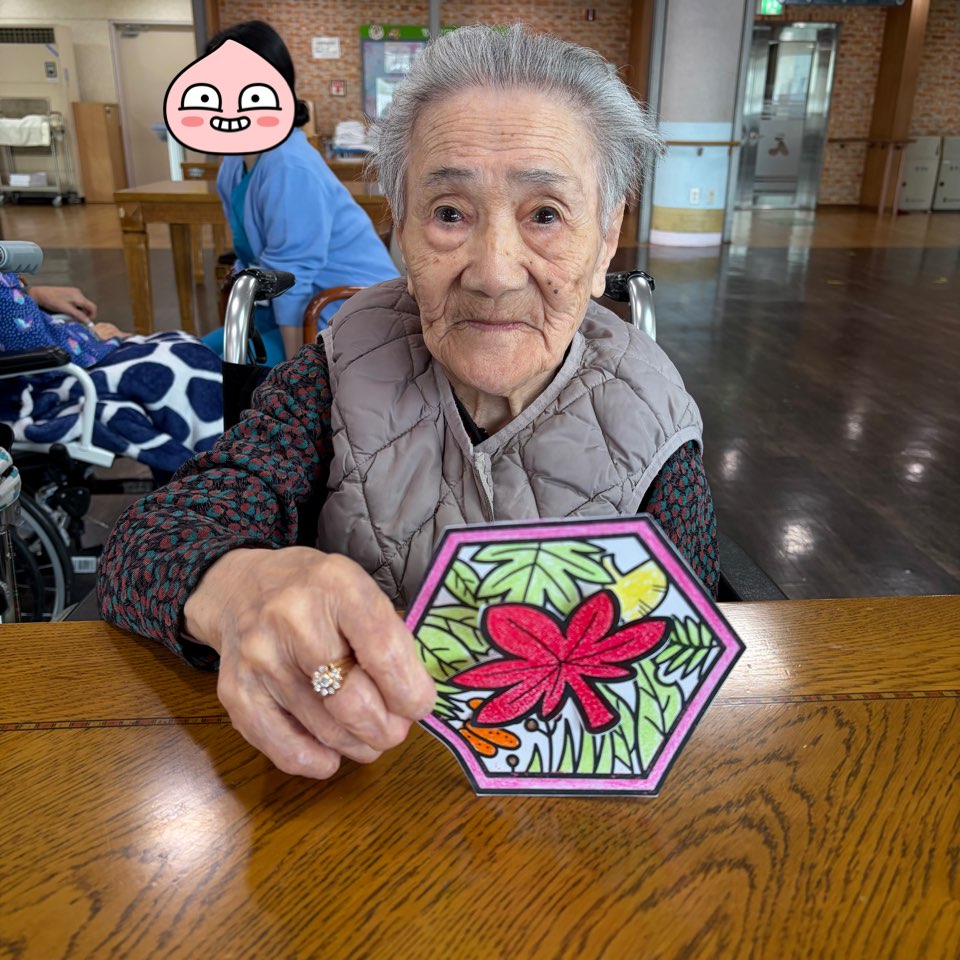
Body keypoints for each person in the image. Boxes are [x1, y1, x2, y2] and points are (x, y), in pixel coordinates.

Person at [98, 25, 719, 779]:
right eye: (449, 213)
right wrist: (236, 589)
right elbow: (148, 544)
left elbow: (677, 666)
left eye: (545, 214)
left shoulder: (654, 423)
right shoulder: (337, 372)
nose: (493, 273)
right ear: (399, 228)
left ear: (607, 236)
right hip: (349, 774)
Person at [198, 21, 399, 365]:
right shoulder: (234, 163)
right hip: (287, 308)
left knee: (214, 373)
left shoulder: (290, 165)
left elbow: (294, 277)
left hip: (340, 316)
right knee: (193, 352)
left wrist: (292, 374)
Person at [0, 274, 222, 481]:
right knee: (179, 364)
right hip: (38, 379)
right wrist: (96, 338)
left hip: (51, 363)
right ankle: (209, 477)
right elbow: (31, 344)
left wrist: (31, 293)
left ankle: (211, 474)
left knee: (184, 354)